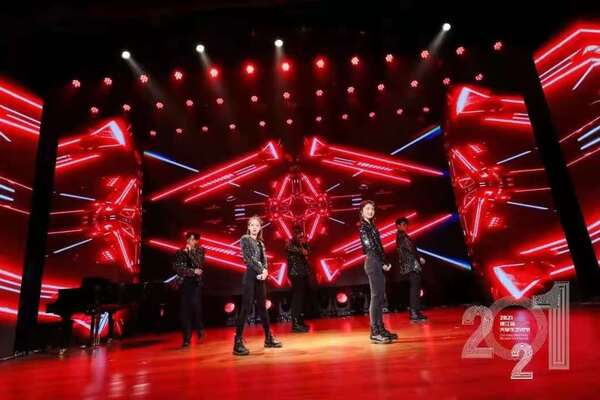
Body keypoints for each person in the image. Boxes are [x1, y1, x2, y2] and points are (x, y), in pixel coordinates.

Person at [233, 216, 282, 356]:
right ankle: (237, 342)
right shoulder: (245, 239)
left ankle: (268, 338)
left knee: (263, 308)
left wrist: (265, 272)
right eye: (252, 225)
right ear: (248, 227)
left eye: (257, 225)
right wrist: (262, 271)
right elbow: (248, 259)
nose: (254, 227)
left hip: (260, 277)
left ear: (260, 228)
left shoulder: (260, 243)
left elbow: (264, 260)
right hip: (250, 276)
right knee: (246, 308)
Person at [358, 200, 397, 343]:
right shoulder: (363, 227)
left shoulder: (371, 226)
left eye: (372, 209)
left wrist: (384, 261)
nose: (370, 211)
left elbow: (379, 246)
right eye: (367, 209)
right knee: (376, 297)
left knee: (380, 297)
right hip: (372, 262)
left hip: (377, 262)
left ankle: (380, 328)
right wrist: (382, 263)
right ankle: (375, 331)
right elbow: (370, 248)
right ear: (362, 212)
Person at [172, 231, 205, 347]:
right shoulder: (180, 252)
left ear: (197, 241)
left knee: (196, 307)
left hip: (195, 283)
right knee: (185, 311)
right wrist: (192, 271)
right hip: (184, 283)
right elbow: (178, 268)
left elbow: (198, 264)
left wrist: (190, 252)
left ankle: (199, 328)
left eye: (193, 239)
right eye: (189, 239)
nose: (190, 241)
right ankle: (186, 338)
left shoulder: (200, 251)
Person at [395, 217, 428, 322]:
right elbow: (411, 250)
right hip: (411, 264)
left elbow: (411, 249)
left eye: (406, 224)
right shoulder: (401, 236)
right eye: (403, 224)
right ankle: (414, 312)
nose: (405, 226)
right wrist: (419, 258)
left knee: (416, 288)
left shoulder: (403, 236)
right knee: (414, 288)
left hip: (412, 264)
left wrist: (418, 258)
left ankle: (416, 311)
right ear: (398, 226)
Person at [286, 226, 310, 333]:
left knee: (302, 298)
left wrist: (304, 244)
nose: (299, 235)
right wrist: (301, 247)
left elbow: (308, 252)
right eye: (297, 233)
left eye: (300, 232)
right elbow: (301, 252)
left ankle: (300, 321)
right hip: (294, 273)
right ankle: (295, 323)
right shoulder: (289, 242)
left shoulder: (303, 242)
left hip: (303, 272)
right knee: (297, 298)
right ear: (293, 233)